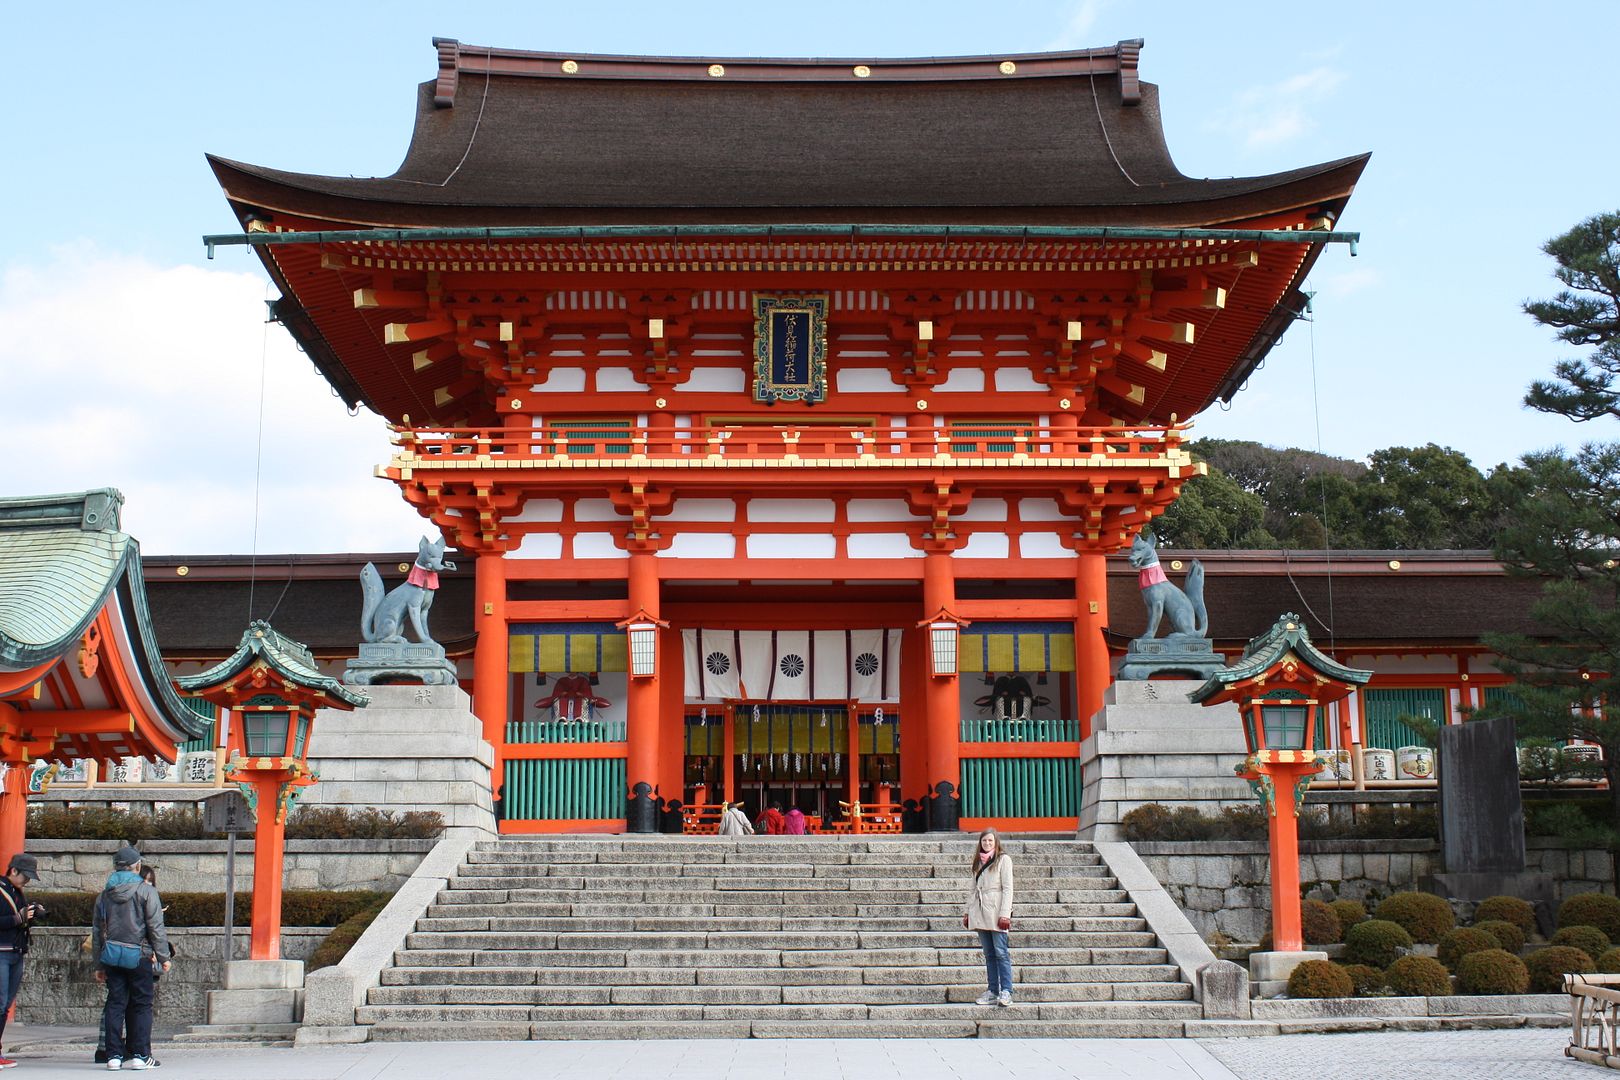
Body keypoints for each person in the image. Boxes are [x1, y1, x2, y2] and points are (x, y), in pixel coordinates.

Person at [92, 846, 171, 1071]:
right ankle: (140, 1055)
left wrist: (98, 964)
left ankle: (113, 1056)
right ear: (136, 866)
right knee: (142, 1005)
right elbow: (156, 927)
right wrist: (163, 956)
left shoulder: (104, 895)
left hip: (112, 956)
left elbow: (98, 932)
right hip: (140, 955)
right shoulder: (147, 892)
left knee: (115, 1004)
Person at [962, 827, 1014, 1007]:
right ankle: (992, 990)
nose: (987, 843)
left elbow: (1008, 888)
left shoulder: (1003, 860)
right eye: (984, 841)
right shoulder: (977, 862)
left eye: (990, 841)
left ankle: (1006, 990)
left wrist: (1005, 914)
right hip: (980, 910)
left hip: (996, 909)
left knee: (1001, 952)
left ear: (996, 842)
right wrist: (968, 911)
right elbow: (972, 889)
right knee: (989, 954)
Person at [0, 854, 41, 1069]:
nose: (28, 881)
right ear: (13, 870)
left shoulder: (17, 892)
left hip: (16, 952)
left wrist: (31, 915)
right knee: (0, 1004)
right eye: (26, 876)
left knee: (5, 1005)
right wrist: (19, 918)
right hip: (2, 952)